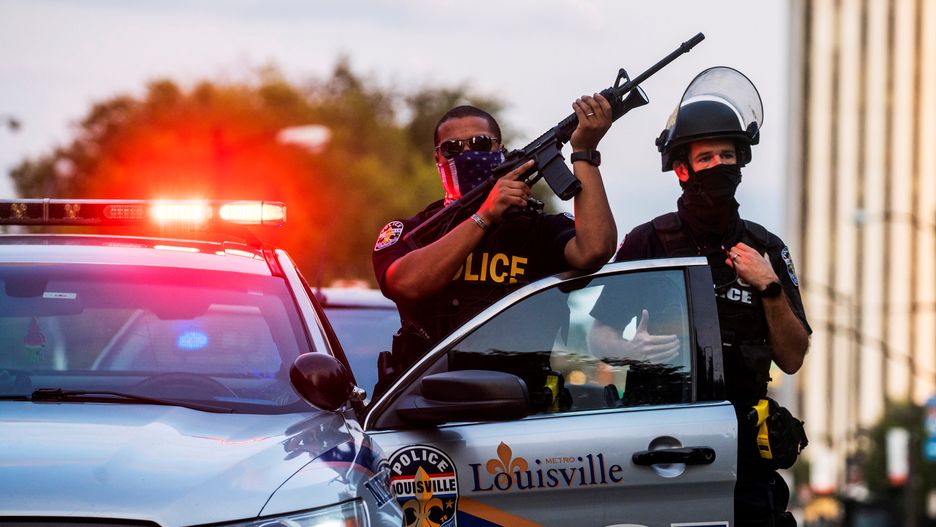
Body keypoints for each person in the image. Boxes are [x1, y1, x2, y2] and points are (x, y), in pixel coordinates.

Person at [589, 67, 810, 526]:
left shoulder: (765, 247)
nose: (719, 167)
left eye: (728, 155)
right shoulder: (647, 242)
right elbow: (598, 335)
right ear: (682, 169)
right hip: (656, 439)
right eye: (706, 158)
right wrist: (627, 349)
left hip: (742, 452)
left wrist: (768, 287)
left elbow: (791, 357)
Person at [373, 98, 618, 374]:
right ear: (437, 158)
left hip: (521, 403)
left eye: (479, 143)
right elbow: (405, 284)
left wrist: (584, 152)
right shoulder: (411, 232)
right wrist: (485, 215)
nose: (466, 154)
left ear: (500, 150)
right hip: (425, 402)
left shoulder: (538, 230)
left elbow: (596, 248)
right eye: (452, 148)